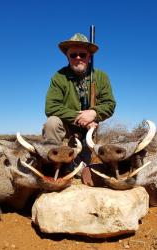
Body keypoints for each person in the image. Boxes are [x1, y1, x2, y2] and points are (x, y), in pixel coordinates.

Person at [42, 33, 116, 165]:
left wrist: (93, 113)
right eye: (73, 55)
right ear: (67, 56)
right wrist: (81, 118)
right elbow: (51, 106)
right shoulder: (59, 76)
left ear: (89, 56)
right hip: (66, 125)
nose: (78, 58)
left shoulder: (101, 76)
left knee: (80, 167)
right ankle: (51, 164)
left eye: (82, 55)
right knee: (51, 122)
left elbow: (109, 104)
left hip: (89, 129)